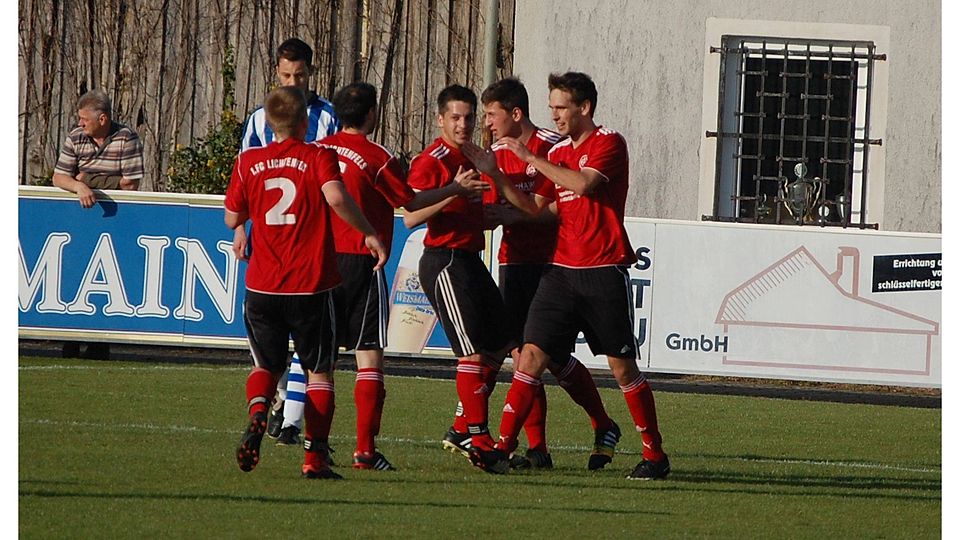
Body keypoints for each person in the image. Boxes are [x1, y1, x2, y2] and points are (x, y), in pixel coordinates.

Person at [464, 72, 671, 480]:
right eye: (552, 108)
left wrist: (531, 158)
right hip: (560, 271)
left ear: (585, 108)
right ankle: (502, 448)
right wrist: (498, 176)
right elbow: (539, 208)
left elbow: (584, 184)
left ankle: (655, 454)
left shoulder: (609, 142)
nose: (555, 115)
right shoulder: (557, 152)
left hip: (602, 270)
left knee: (622, 369)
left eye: (561, 107)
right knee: (530, 356)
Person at [317, 82, 489, 470]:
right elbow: (409, 203)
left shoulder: (318, 151)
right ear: (372, 114)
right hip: (363, 261)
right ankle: (364, 450)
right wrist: (455, 189)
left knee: (320, 363)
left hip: (321, 264)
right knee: (368, 360)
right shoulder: (377, 157)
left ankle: (316, 448)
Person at [226, 86, 387, 480]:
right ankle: (314, 458)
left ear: (269, 124)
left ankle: (259, 410)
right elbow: (336, 198)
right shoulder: (318, 155)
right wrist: (368, 231)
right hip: (310, 284)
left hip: (262, 285)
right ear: (304, 123)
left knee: (267, 364)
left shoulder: (248, 161)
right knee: (319, 371)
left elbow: (232, 218)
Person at [234, 37, 341, 446]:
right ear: (276, 73)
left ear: (311, 72)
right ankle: (300, 431)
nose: (292, 82)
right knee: (310, 356)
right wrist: (241, 230)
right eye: (285, 75)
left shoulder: (327, 117)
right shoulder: (260, 119)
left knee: (288, 352)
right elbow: (246, 176)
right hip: (273, 243)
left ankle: (286, 418)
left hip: (309, 242)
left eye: (299, 75)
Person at [403, 84, 513, 459]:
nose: (463, 124)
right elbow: (410, 216)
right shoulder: (431, 160)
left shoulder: (473, 156)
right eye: (455, 118)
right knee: (470, 353)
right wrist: (454, 190)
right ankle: (477, 438)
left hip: (469, 258)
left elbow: (474, 211)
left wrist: (497, 208)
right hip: (444, 260)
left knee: (502, 342)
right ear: (440, 120)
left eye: (468, 117)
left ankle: (463, 426)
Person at [52, 89, 145, 360]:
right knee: (73, 274)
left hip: (113, 220)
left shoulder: (126, 138)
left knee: (106, 278)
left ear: (102, 119)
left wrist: (87, 178)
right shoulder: (76, 137)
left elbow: (130, 184)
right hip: (78, 218)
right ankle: (69, 340)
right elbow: (59, 177)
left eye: (84, 119)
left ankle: (99, 342)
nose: (80, 123)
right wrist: (79, 186)